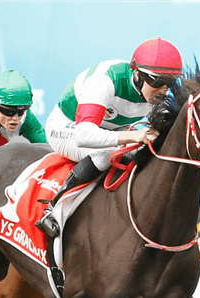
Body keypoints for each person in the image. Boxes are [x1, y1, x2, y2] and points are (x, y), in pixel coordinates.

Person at [36, 37, 182, 237]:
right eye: (157, 82)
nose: (163, 90)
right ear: (137, 74)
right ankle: (55, 210)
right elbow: (84, 135)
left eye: (170, 84)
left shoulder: (159, 93)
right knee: (105, 153)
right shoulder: (105, 81)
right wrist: (136, 136)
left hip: (109, 130)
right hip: (67, 128)